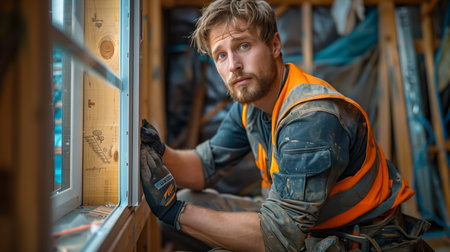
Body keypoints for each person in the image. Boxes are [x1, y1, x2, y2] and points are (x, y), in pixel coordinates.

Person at [139, 0, 432, 251]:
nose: (233, 65)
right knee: (191, 200)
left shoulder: (312, 118)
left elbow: (279, 237)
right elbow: (205, 166)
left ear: (275, 45)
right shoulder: (250, 108)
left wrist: (174, 212)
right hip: (308, 228)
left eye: (243, 45)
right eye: (221, 55)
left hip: (358, 238)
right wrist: (157, 151)